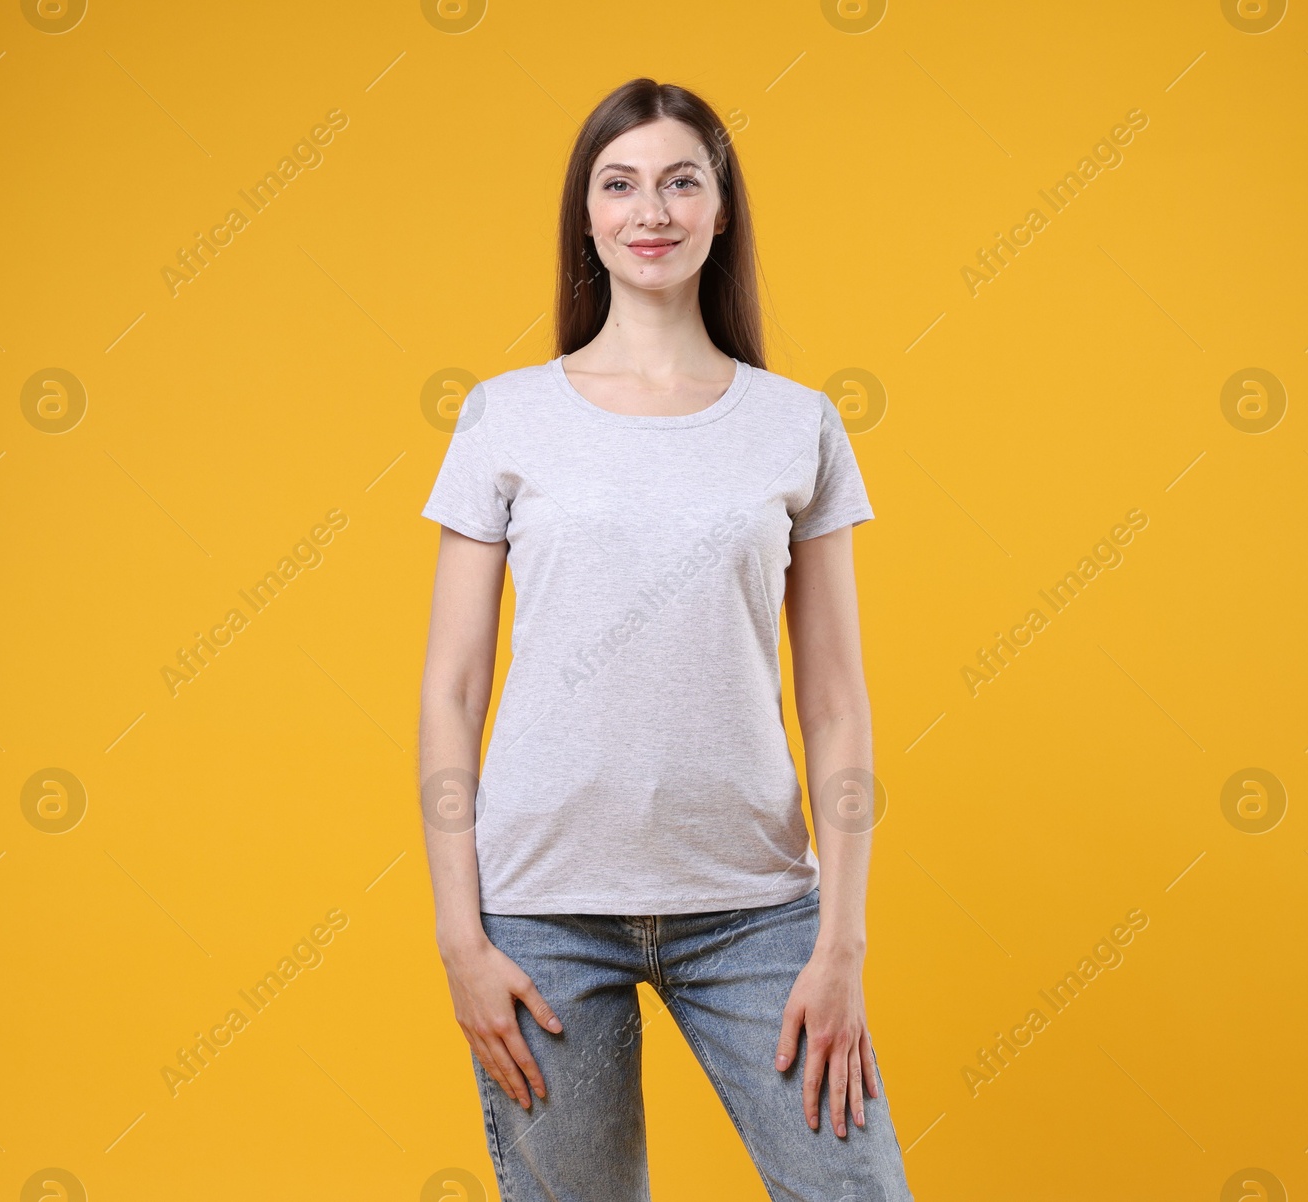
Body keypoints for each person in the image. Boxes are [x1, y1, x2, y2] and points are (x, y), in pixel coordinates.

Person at [418, 77, 912, 1202]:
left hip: (752, 903)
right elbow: (451, 688)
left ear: (721, 209)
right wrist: (460, 933)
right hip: (542, 913)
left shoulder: (796, 423)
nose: (653, 209)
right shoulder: (507, 413)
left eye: (681, 180)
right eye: (621, 183)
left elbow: (835, 702)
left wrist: (839, 942)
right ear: (587, 217)